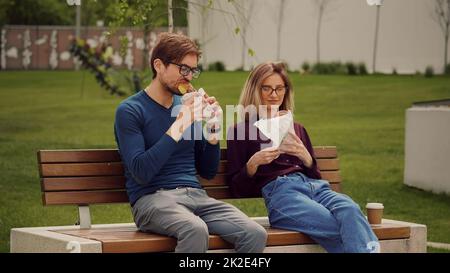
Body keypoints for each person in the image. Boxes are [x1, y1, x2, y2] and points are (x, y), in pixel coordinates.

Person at [114, 32, 267, 253]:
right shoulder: (130, 110)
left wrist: (213, 129)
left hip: (196, 196)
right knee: (195, 229)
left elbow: (207, 170)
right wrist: (181, 123)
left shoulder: (186, 105)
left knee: (254, 233)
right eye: (183, 69)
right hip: (151, 200)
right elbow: (141, 172)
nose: (189, 77)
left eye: (193, 70)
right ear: (159, 65)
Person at [226, 62, 379, 253]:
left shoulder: (296, 128)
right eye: (266, 88)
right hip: (282, 194)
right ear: (254, 90)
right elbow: (236, 188)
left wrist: (306, 157)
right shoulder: (241, 131)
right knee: (338, 225)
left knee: (351, 210)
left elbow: (315, 176)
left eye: (279, 88)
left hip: (314, 188)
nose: (274, 95)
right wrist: (253, 163)